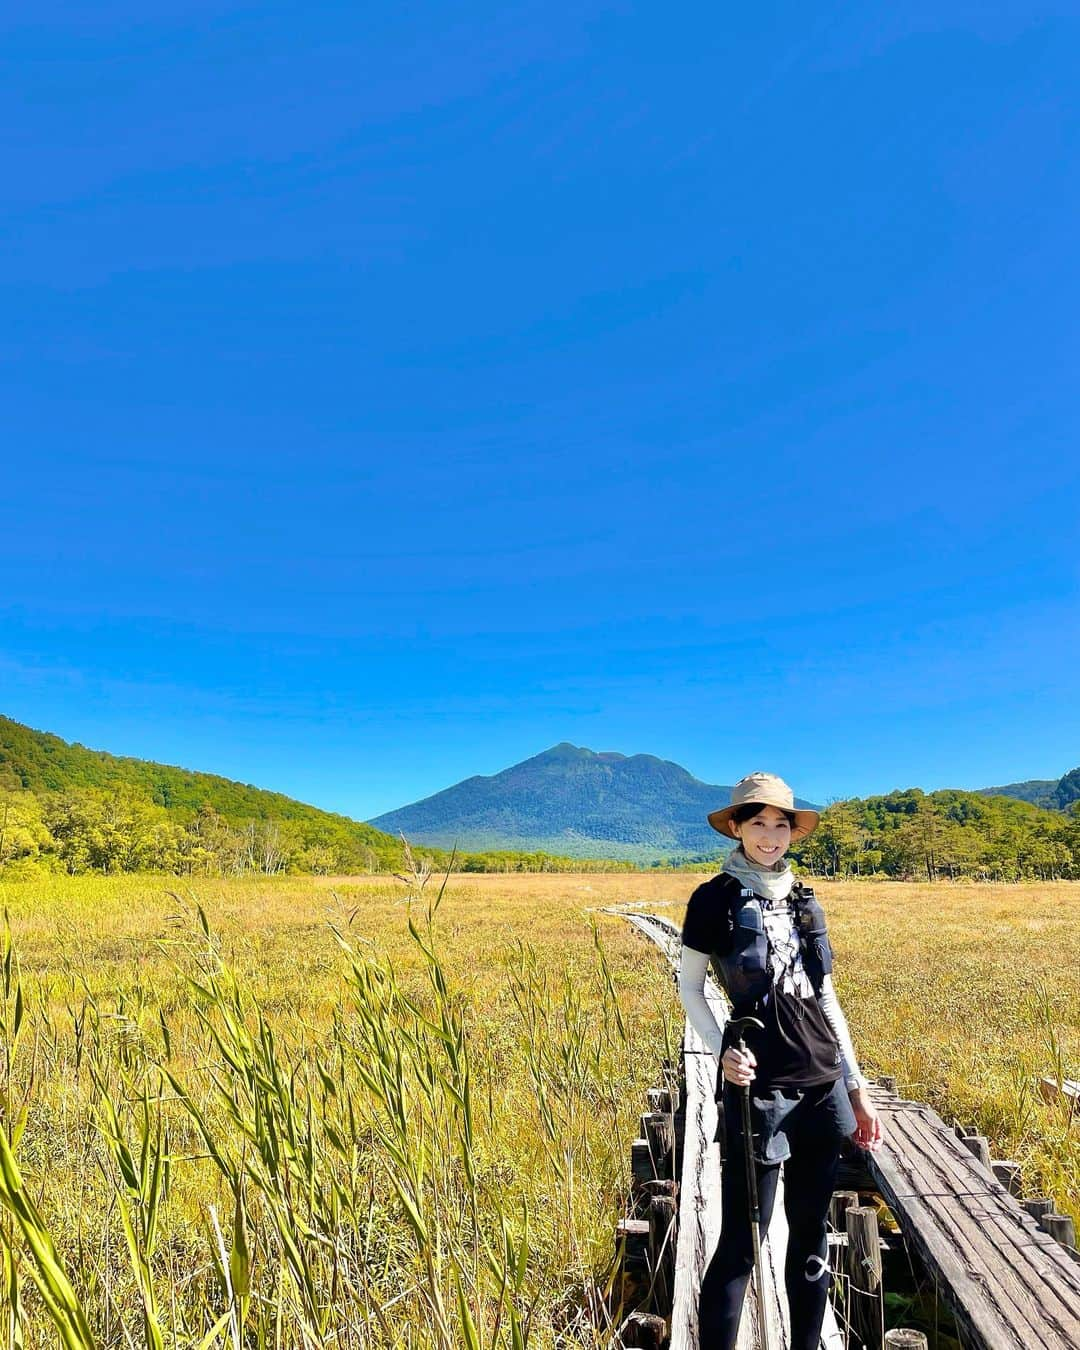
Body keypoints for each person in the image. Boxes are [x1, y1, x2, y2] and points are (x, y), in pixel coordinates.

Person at [679, 772, 883, 1350]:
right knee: (744, 1243)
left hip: (821, 1084)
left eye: (781, 824)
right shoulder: (713, 899)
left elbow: (827, 997)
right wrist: (723, 1051)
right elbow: (690, 988)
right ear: (737, 827)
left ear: (792, 831)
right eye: (758, 823)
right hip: (758, 1091)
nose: (770, 836)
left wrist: (856, 1084)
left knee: (812, 1237)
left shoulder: (804, 899)